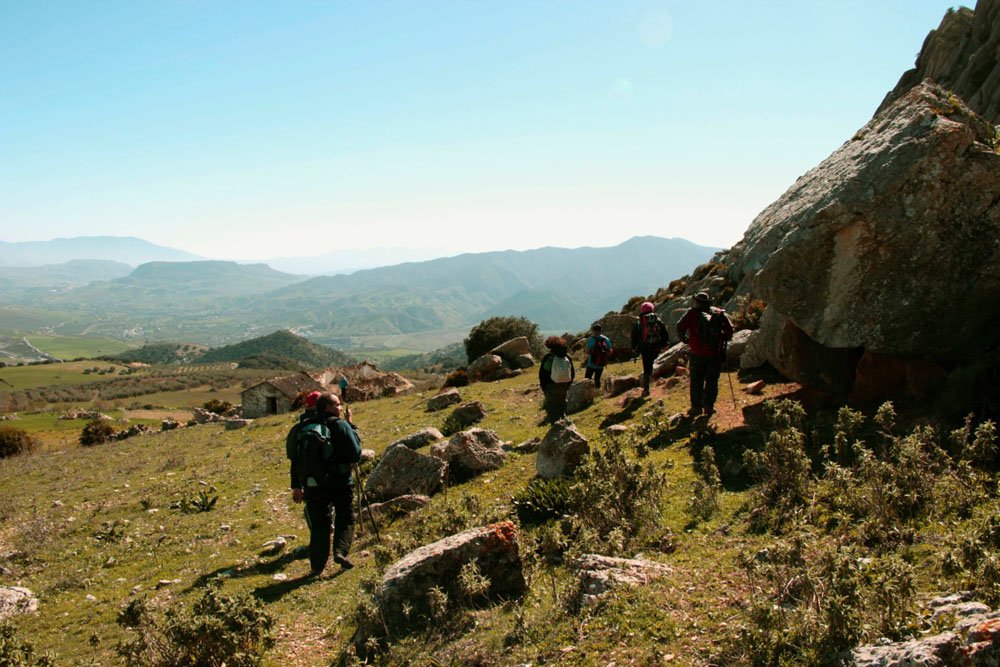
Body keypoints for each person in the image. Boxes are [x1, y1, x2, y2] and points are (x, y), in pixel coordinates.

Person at [289, 392, 362, 575]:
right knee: (345, 516)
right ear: (328, 407)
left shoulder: (302, 428)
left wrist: (297, 485)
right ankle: (340, 552)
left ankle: (316, 566)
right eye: (337, 404)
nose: (340, 407)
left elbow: (295, 460)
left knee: (320, 524)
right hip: (340, 482)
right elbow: (355, 454)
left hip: (312, 485)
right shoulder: (340, 425)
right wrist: (351, 425)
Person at [676, 292, 734, 418]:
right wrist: (722, 337)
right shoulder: (718, 313)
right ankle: (709, 406)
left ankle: (696, 407)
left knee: (696, 381)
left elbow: (679, 326)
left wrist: (685, 339)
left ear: (696, 301)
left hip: (696, 352)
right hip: (714, 353)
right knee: (712, 380)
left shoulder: (691, 313)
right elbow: (730, 329)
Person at [631, 301, 669, 396]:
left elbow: (634, 336)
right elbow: (664, 332)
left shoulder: (640, 322)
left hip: (645, 348)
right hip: (656, 347)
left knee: (646, 367)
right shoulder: (657, 320)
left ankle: (646, 389)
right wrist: (665, 344)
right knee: (652, 362)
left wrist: (634, 348)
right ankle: (653, 377)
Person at [538, 336, 575, 423]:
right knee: (562, 405)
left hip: (551, 387)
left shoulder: (548, 357)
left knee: (553, 408)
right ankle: (565, 424)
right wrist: (568, 384)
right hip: (564, 385)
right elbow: (572, 372)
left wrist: (543, 387)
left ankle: (556, 428)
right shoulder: (567, 356)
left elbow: (542, 374)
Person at [583, 324, 613, 389]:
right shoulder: (606, 339)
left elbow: (587, 351)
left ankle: (587, 393)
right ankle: (597, 392)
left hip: (591, 363)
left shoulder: (591, 339)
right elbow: (610, 352)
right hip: (601, 364)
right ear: (600, 330)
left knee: (587, 379)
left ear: (593, 331)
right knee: (597, 379)